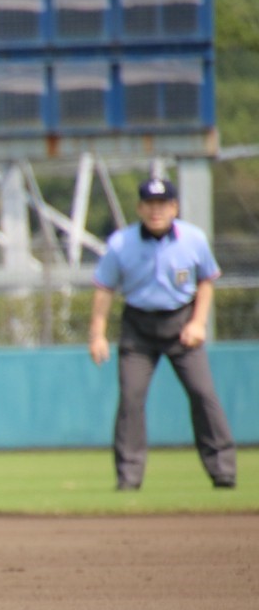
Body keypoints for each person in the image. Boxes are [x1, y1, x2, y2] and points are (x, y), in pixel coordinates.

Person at [88, 177, 236, 491]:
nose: (156, 211)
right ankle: (128, 478)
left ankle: (223, 471)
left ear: (174, 207)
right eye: (150, 204)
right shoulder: (121, 243)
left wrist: (199, 322)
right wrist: (97, 334)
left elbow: (206, 280)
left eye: (163, 204)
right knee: (131, 399)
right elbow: (104, 289)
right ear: (140, 208)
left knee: (203, 394)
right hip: (138, 327)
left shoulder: (193, 239)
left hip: (181, 323)